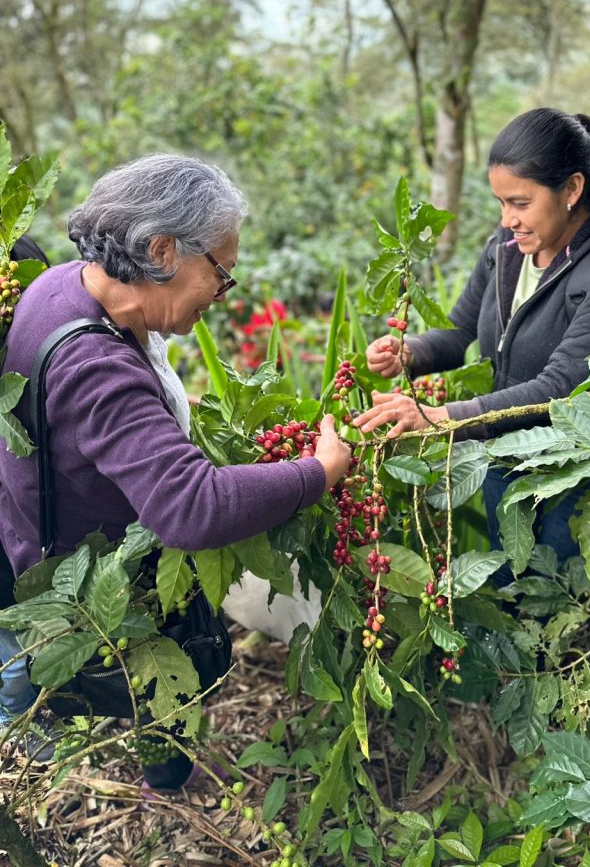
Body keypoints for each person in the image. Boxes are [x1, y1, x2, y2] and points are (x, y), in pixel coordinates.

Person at [0, 153, 351, 784]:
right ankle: (167, 788)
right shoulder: (96, 366)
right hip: (95, 580)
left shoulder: (60, 284)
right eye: (220, 272)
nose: (222, 293)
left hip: (34, 530)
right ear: (161, 250)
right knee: (157, 689)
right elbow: (192, 506)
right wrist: (318, 472)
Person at [354, 108, 590, 572]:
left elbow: (564, 387)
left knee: (560, 594)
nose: (508, 219)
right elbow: (460, 329)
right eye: (501, 203)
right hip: (506, 455)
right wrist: (410, 351)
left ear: (572, 189)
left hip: (580, 479)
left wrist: (441, 417)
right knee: (510, 585)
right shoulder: (508, 248)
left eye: (520, 203)